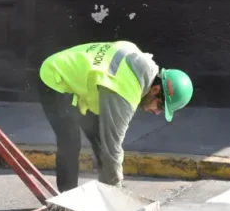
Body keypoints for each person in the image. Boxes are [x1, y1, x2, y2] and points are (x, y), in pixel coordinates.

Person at [37, 41, 194, 192]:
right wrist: (116, 195)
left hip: (82, 84)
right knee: (70, 141)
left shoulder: (139, 61)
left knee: (99, 138)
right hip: (55, 77)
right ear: (155, 90)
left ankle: (104, 191)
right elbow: (112, 147)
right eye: (160, 106)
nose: (156, 112)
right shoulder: (124, 91)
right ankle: (66, 200)